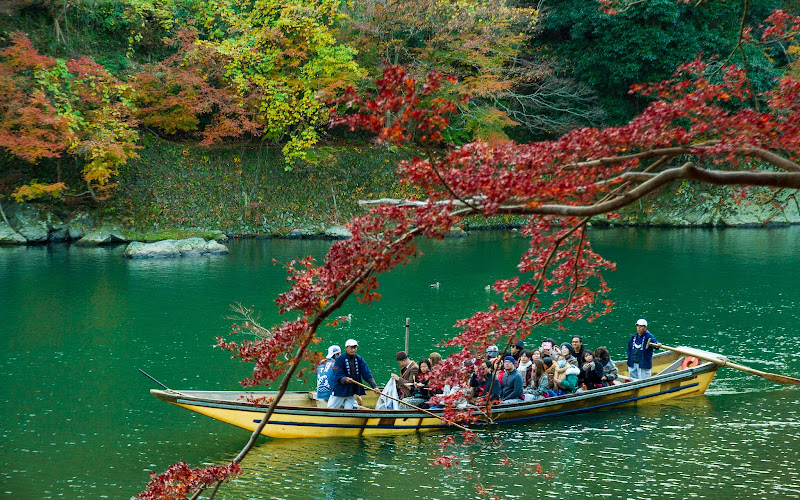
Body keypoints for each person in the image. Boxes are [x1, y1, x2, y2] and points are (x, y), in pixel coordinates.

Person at [328, 339, 379, 409]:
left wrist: (375, 386)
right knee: (331, 409)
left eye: (355, 348)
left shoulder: (359, 359)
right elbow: (338, 374)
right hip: (340, 391)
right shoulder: (339, 359)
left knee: (349, 411)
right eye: (351, 348)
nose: (353, 350)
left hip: (351, 391)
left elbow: (367, 374)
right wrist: (345, 379)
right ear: (346, 348)